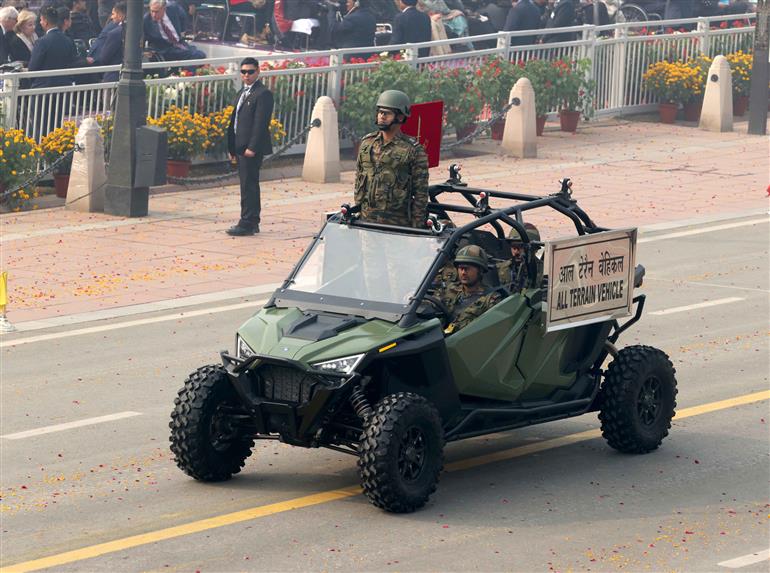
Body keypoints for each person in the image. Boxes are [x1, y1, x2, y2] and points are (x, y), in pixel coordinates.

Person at [354, 89, 429, 228]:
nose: (381, 116)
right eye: (380, 112)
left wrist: (417, 228)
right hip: (366, 220)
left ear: (400, 117)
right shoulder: (367, 144)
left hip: (396, 225)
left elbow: (421, 194)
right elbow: (359, 179)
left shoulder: (413, 150)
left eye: (387, 113)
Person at [226, 57, 274, 236]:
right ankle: (250, 221)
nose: (246, 75)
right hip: (239, 146)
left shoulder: (263, 94)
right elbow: (235, 121)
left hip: (250, 148)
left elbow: (261, 123)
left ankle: (248, 221)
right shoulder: (242, 92)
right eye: (243, 72)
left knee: (249, 185)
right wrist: (232, 148)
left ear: (258, 72)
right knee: (246, 184)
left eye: (250, 72)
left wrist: (252, 147)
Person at [438, 245, 503, 334]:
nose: (463, 272)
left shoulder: (491, 299)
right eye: (461, 268)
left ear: (480, 270)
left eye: (467, 269)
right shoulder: (450, 290)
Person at [28, 5, 76, 87]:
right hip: (65, 88)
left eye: (41, 20)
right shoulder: (68, 40)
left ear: (46, 22)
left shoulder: (41, 42)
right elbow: (72, 62)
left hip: (43, 90)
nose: (40, 22)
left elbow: (32, 68)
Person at [496, 224, 541, 293]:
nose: (516, 252)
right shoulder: (501, 269)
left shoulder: (545, 272)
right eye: (513, 247)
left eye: (521, 247)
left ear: (535, 249)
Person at [86, 0, 124, 80]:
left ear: (120, 16)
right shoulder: (115, 29)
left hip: (111, 73)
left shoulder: (115, 30)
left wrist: (95, 59)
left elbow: (105, 57)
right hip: (108, 67)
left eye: (113, 14)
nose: (111, 17)